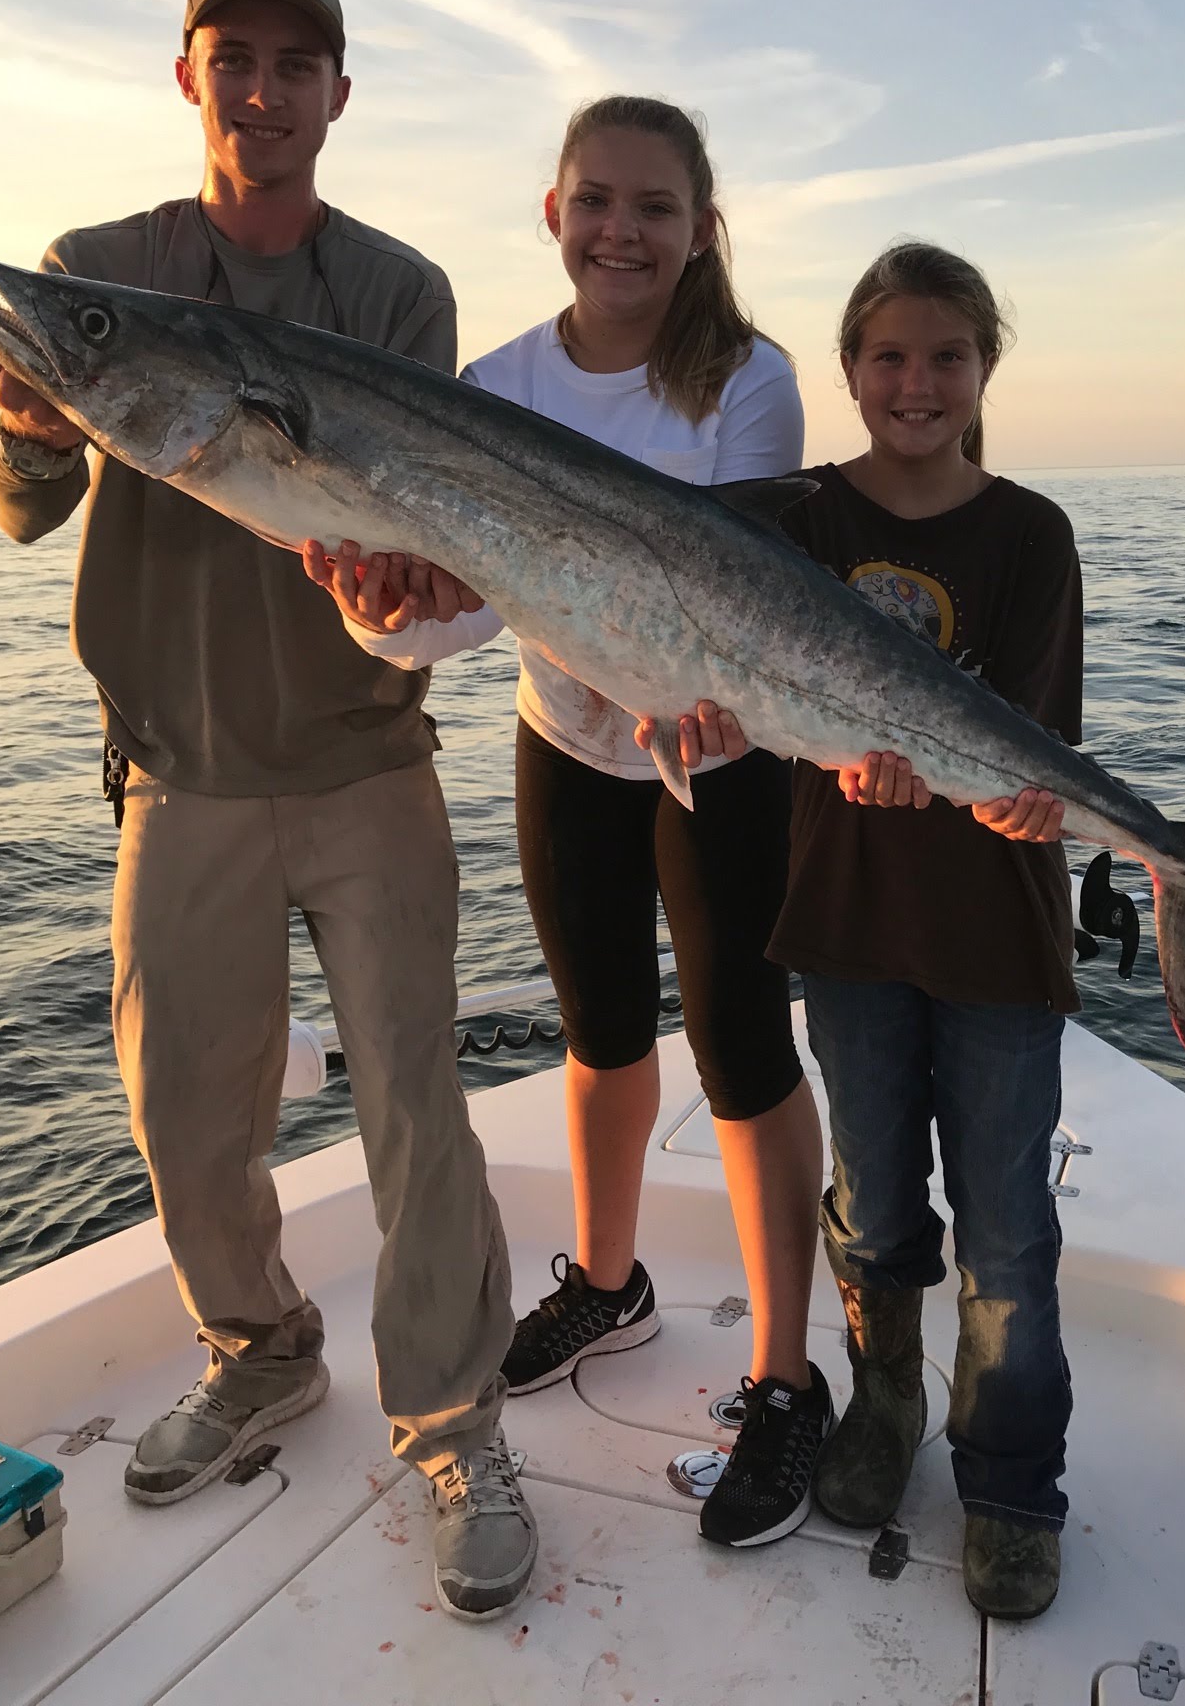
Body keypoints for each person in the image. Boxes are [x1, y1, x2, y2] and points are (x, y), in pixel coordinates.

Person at [0, 0, 536, 1622]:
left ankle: (452, 1422)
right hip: (179, 770)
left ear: (338, 95)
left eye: (299, 64)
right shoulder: (99, 275)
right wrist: (36, 426)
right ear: (190, 76)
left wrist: (423, 581)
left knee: (416, 1114)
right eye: (236, 59)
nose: (265, 91)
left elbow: (431, 531)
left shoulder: (401, 291)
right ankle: (261, 1351)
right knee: (186, 1115)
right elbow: (15, 510)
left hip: (366, 756)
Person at [307, 95, 834, 1549]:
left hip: (724, 751)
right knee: (597, 1028)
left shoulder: (748, 384)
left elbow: (741, 604)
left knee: (738, 1040)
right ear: (553, 214)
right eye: (596, 200)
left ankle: (786, 1377)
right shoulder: (495, 382)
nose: (623, 230)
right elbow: (455, 620)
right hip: (566, 739)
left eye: (656, 207)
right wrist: (379, 608)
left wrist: (706, 697)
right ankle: (609, 1280)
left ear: (699, 230)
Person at [656, 240, 1078, 1619]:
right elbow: (741, 687)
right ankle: (888, 1403)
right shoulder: (795, 521)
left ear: (984, 370)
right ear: (849, 370)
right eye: (888, 356)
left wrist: (1002, 797)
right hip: (844, 926)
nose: (916, 382)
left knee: (1007, 1233)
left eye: (946, 355)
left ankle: (1011, 1477)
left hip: (1000, 939)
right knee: (876, 1206)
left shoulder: (1030, 534)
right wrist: (713, 722)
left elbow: (1031, 745)